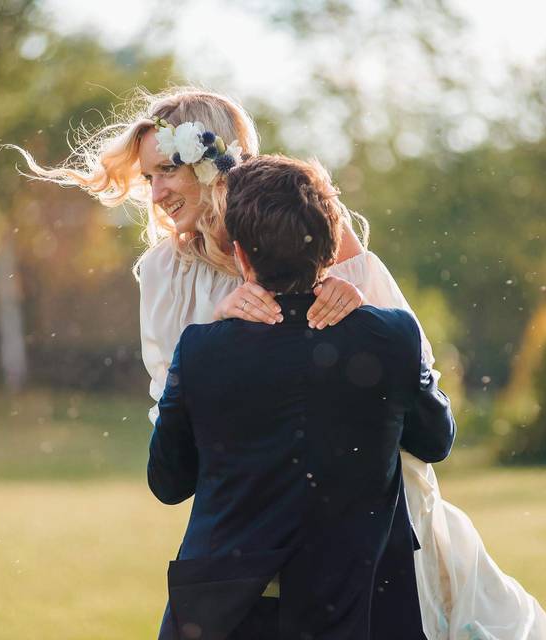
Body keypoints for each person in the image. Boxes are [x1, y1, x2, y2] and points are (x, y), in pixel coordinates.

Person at [10, 87, 546, 640]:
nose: (159, 192)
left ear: (210, 157)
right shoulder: (163, 274)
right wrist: (217, 330)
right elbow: (174, 408)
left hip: (361, 513)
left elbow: (408, 368)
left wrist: (356, 307)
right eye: (150, 178)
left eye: (169, 169)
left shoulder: (309, 224)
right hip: (248, 517)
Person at [148, 154, 456, 639]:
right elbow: (436, 440)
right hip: (356, 612)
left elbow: (168, 481)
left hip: (228, 616)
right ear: (332, 248)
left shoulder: (202, 348)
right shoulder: (393, 337)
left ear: (242, 257)